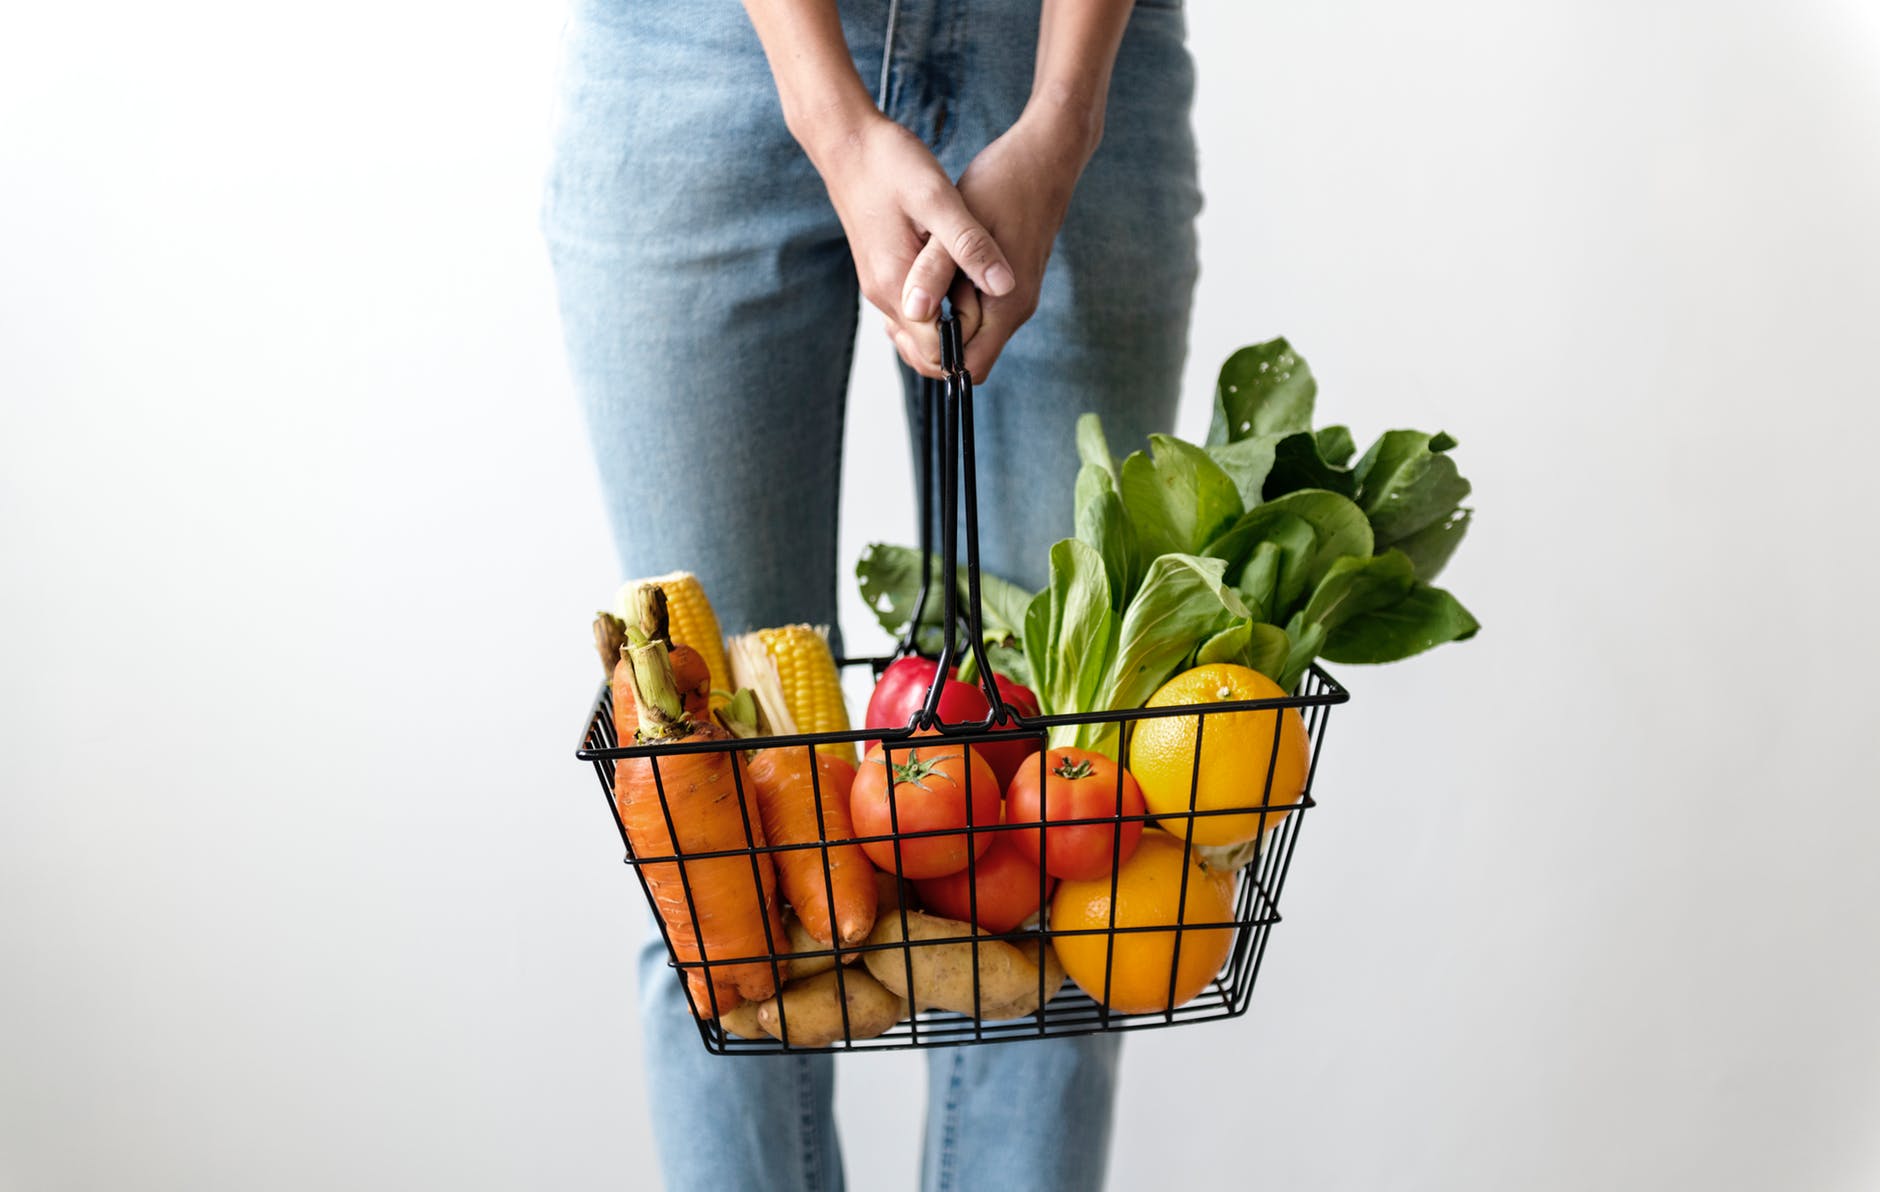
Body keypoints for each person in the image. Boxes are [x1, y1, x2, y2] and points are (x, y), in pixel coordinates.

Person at [543, 0, 1200, 1187]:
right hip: (699, 53)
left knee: (1069, 841)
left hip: (1060, 50)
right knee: (711, 849)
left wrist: (1063, 115)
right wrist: (825, 110)